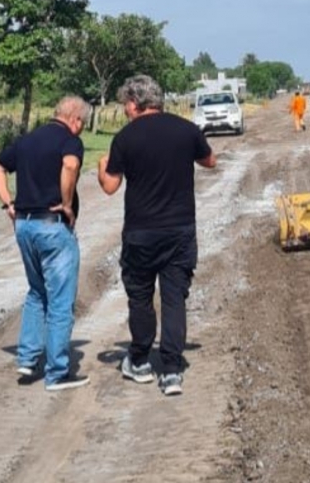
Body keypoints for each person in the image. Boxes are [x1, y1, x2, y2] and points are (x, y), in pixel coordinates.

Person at [97, 74, 217, 396]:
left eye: (125, 104)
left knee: (141, 297)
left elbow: (110, 187)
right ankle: (172, 371)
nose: (125, 110)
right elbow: (210, 161)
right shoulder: (186, 130)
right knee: (174, 298)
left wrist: (100, 167)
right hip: (180, 229)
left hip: (141, 233)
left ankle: (139, 361)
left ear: (135, 103)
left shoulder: (125, 137)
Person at [0, 96, 93, 392]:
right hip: (52, 225)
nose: (81, 129)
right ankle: (57, 373)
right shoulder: (69, 141)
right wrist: (66, 203)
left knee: (36, 292)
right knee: (60, 300)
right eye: (82, 123)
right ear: (74, 118)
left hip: (23, 224)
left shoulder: (26, 140)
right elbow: (70, 167)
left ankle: (27, 357)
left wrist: (8, 203)